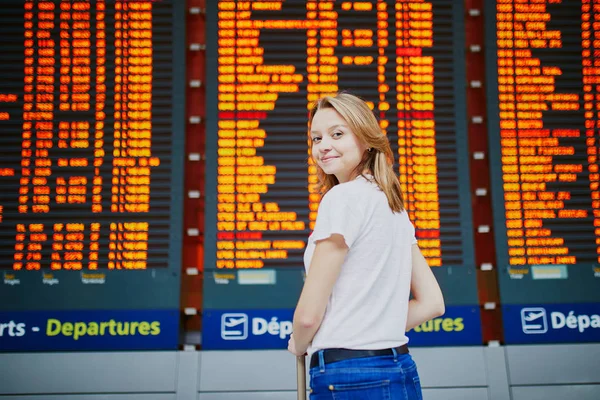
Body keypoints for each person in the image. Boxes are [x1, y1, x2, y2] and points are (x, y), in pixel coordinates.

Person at [287, 92, 445, 399]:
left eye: (337, 134)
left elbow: (307, 317)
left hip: (348, 376)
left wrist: (300, 341)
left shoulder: (342, 198)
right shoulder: (394, 207)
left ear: (366, 138)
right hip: (400, 368)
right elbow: (432, 303)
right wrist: (370, 327)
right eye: (316, 138)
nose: (324, 146)